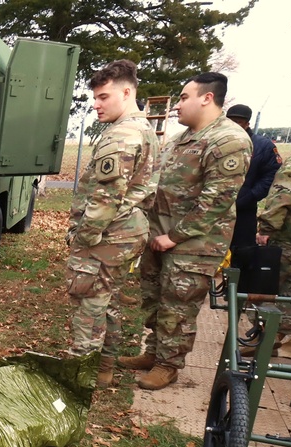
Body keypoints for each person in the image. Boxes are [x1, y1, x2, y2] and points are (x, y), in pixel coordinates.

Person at [118, 72, 252, 390]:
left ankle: (169, 365)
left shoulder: (229, 140)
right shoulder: (184, 138)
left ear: (207, 98)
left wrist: (174, 236)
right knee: (154, 298)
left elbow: (216, 202)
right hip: (159, 235)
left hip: (193, 245)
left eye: (183, 97)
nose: (177, 105)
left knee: (178, 306)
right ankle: (154, 352)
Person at [66, 60, 159, 387]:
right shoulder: (144, 129)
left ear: (126, 91)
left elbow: (105, 200)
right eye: (95, 97)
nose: (96, 104)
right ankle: (105, 368)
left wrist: (83, 237)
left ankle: (82, 375)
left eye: (103, 97)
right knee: (108, 300)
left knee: (89, 303)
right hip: (127, 233)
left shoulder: (122, 135)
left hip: (107, 236)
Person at [255, 135, 291, 350]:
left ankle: (262, 334)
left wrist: (267, 227)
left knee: (267, 283)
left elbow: (285, 191)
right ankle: (275, 336)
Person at [225, 103, 282, 253]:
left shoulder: (262, 146)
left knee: (242, 254)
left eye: (238, 122)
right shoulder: (217, 142)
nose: (233, 125)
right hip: (214, 210)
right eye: (230, 121)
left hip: (243, 211)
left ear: (247, 124)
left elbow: (271, 175)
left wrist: (250, 195)